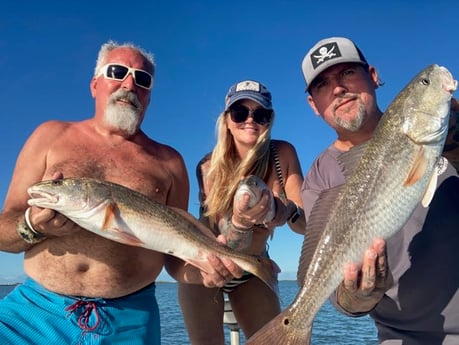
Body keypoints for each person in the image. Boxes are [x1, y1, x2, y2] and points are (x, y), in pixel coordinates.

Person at [0, 40, 240, 344]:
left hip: (130, 320)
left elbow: (176, 257)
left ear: (149, 96)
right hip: (33, 313)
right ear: (94, 84)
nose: (130, 83)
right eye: (118, 71)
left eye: (143, 79)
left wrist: (206, 273)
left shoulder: (170, 162)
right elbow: (3, 230)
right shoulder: (50, 136)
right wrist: (31, 226)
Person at [300, 36, 459, 344]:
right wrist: (356, 297)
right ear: (313, 105)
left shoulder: (447, 126)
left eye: (347, 73)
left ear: (372, 76)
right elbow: (339, 299)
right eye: (322, 85)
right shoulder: (319, 177)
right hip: (404, 337)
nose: (337, 89)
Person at [178, 80, 306, 344]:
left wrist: (285, 210)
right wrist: (240, 222)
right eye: (240, 113)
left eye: (260, 114)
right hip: (206, 265)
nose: (250, 120)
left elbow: (305, 224)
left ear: (269, 120)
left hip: (253, 269)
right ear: (226, 120)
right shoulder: (207, 167)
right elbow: (219, 236)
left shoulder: (283, 154)